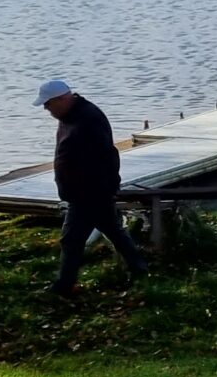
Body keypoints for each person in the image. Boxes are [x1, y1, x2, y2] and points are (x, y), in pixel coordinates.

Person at [38, 79, 146, 294]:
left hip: (88, 192)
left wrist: (103, 188)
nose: (46, 109)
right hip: (85, 191)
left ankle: (63, 286)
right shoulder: (69, 116)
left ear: (61, 99)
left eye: (48, 104)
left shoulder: (88, 119)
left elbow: (107, 155)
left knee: (71, 239)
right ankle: (139, 270)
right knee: (113, 230)